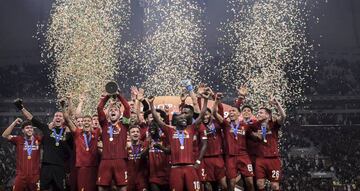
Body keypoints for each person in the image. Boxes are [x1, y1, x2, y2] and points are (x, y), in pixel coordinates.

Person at [148, 89, 209, 191]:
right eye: (181, 118)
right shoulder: (170, 130)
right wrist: (151, 103)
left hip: (190, 167)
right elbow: (157, 119)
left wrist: (206, 100)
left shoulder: (191, 129)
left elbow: (201, 115)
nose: (184, 119)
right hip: (175, 169)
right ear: (175, 121)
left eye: (185, 118)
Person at [14, 98, 71, 191]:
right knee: (43, 189)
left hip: (60, 167)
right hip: (46, 166)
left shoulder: (67, 132)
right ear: (53, 118)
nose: (58, 117)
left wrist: (65, 106)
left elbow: (70, 118)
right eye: (56, 116)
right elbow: (32, 119)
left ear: (64, 119)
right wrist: (21, 108)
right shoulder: (46, 129)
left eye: (60, 116)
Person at [212, 94, 255, 191]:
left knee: (250, 182)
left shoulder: (245, 126)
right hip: (230, 157)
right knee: (231, 183)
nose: (230, 112)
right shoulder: (226, 124)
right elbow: (214, 113)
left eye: (233, 111)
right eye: (229, 111)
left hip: (244, 156)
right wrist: (216, 100)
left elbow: (254, 136)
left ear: (239, 114)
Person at [96, 90, 130, 191]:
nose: (113, 111)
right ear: (108, 114)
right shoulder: (104, 124)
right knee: (102, 187)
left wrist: (118, 95)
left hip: (120, 160)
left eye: (116, 110)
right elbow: (99, 108)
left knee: (122, 186)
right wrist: (108, 96)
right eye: (111, 110)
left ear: (120, 114)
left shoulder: (124, 124)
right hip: (105, 160)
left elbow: (127, 107)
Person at [252, 96, 286, 191]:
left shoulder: (274, 125)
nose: (258, 114)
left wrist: (277, 104)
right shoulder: (254, 125)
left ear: (268, 115)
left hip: (273, 160)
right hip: (260, 159)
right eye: (258, 112)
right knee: (259, 184)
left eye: (261, 113)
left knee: (275, 186)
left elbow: (283, 116)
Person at [63, 107, 101, 191]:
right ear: (82, 123)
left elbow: (104, 120)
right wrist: (63, 107)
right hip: (81, 167)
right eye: (85, 121)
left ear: (91, 123)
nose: (86, 122)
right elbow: (67, 119)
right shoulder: (77, 133)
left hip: (94, 166)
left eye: (88, 121)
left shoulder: (97, 132)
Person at [2, 118, 42, 191]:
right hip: (21, 176)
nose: (29, 129)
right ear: (23, 130)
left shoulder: (38, 139)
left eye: (31, 128)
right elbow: (5, 135)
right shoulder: (18, 139)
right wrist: (14, 123)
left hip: (35, 176)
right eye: (27, 128)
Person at [126, 125, 149, 191]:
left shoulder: (144, 145)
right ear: (129, 135)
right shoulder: (125, 147)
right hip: (129, 179)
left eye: (137, 132)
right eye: (133, 132)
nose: (135, 133)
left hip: (142, 179)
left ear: (140, 134)